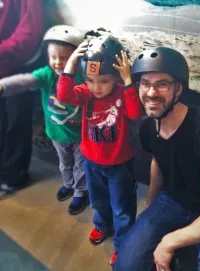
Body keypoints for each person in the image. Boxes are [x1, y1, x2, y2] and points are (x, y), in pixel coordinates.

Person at [114, 47, 200, 271]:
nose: (151, 92)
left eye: (162, 84)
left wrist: (169, 241)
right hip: (172, 202)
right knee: (126, 266)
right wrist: (151, 205)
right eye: (145, 83)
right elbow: (159, 162)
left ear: (178, 89)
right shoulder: (148, 126)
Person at [57, 35, 143, 265]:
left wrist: (127, 81)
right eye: (90, 80)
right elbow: (64, 95)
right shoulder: (85, 93)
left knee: (122, 208)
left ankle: (123, 243)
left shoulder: (122, 94)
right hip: (92, 162)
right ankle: (102, 225)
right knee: (99, 202)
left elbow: (136, 113)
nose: (96, 87)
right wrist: (71, 64)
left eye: (103, 81)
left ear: (115, 77)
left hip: (119, 165)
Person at [0, 25, 89, 215]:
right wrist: (3, 86)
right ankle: (68, 184)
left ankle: (81, 192)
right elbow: (25, 80)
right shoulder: (46, 75)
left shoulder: (83, 77)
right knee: (65, 163)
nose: (57, 62)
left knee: (81, 166)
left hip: (82, 136)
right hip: (58, 134)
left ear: (76, 57)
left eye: (64, 57)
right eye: (53, 57)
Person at [0, 0, 44, 193]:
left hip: (19, 63)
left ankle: (14, 175)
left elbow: (29, 33)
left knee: (16, 119)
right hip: (4, 61)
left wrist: (2, 49)